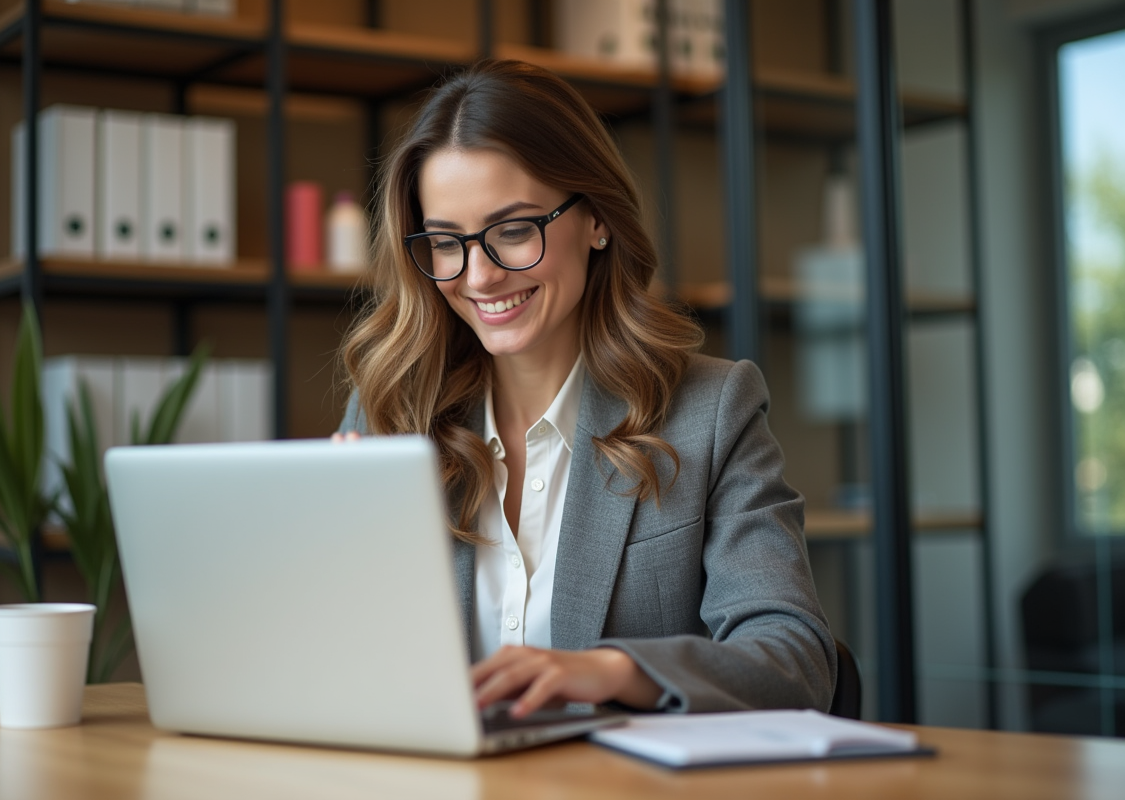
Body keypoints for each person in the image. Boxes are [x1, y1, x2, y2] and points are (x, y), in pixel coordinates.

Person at [336, 59, 836, 718]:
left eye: (514, 230)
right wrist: (342, 564)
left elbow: (795, 658)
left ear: (596, 219)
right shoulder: (390, 412)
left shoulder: (712, 412)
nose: (479, 276)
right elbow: (347, 669)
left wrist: (613, 671)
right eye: (446, 242)